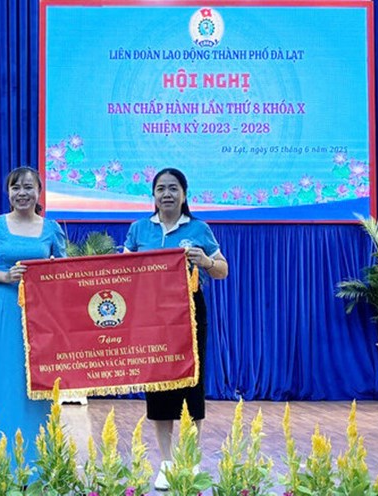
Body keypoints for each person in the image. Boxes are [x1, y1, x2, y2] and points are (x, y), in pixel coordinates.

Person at [123, 167, 228, 491]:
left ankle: (190, 460)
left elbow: (222, 270)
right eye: (160, 189)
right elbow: (123, 269)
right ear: (152, 195)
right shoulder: (139, 229)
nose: (167, 194)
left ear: (184, 194)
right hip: (151, 318)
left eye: (173, 188)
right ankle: (167, 463)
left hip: (190, 316)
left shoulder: (198, 229)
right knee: (159, 390)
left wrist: (206, 262)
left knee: (190, 386)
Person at [0, 166, 66, 462]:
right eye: (16, 187)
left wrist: (51, 270)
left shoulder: (51, 228)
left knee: (36, 382)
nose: (22, 193)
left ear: (39, 192)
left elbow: (65, 269)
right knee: (1, 381)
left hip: (40, 314)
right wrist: (5, 276)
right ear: (8, 192)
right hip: (3, 308)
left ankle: (38, 461)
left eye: (28, 187)